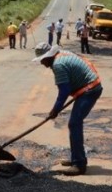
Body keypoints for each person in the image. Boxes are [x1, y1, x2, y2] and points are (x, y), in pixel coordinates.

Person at [32, 42, 102, 176]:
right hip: (89, 87)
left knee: (74, 124)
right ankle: (76, 159)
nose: (42, 63)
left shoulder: (58, 65)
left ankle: (79, 164)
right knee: (74, 124)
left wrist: (55, 110)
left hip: (90, 90)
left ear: (48, 57)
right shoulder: (62, 55)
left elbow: (64, 92)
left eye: (42, 60)